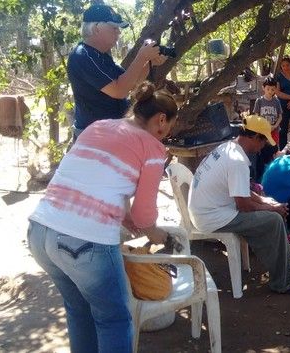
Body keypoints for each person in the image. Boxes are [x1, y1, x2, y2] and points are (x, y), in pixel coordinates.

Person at [27, 82, 177, 352]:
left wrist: (125, 217)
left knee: (79, 310)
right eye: (167, 130)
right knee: (115, 319)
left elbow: (97, 181)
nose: (164, 137)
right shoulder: (152, 147)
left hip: (40, 231)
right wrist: (161, 235)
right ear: (161, 120)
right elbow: (145, 218)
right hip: (84, 243)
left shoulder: (97, 127)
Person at [188, 114, 290, 295]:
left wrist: (264, 201)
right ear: (254, 137)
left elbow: (242, 190)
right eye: (262, 142)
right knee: (274, 220)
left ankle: (283, 266)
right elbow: (244, 205)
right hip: (212, 218)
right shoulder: (237, 161)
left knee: (272, 213)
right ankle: (284, 282)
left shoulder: (227, 147)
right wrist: (272, 208)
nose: (263, 147)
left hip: (207, 211)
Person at [67, 4, 168, 140]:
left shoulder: (101, 56)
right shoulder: (83, 56)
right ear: (97, 28)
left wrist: (152, 63)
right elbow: (119, 91)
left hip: (109, 132)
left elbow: (131, 84)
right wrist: (142, 56)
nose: (118, 33)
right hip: (94, 137)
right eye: (114, 28)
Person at [251, 76, 282, 180]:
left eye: (273, 89)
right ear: (263, 88)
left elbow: (280, 116)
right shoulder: (259, 101)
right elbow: (256, 116)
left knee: (273, 152)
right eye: (268, 89)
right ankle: (260, 176)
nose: (270, 91)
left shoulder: (276, 101)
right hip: (262, 133)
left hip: (274, 131)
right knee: (261, 153)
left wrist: (275, 126)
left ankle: (273, 174)